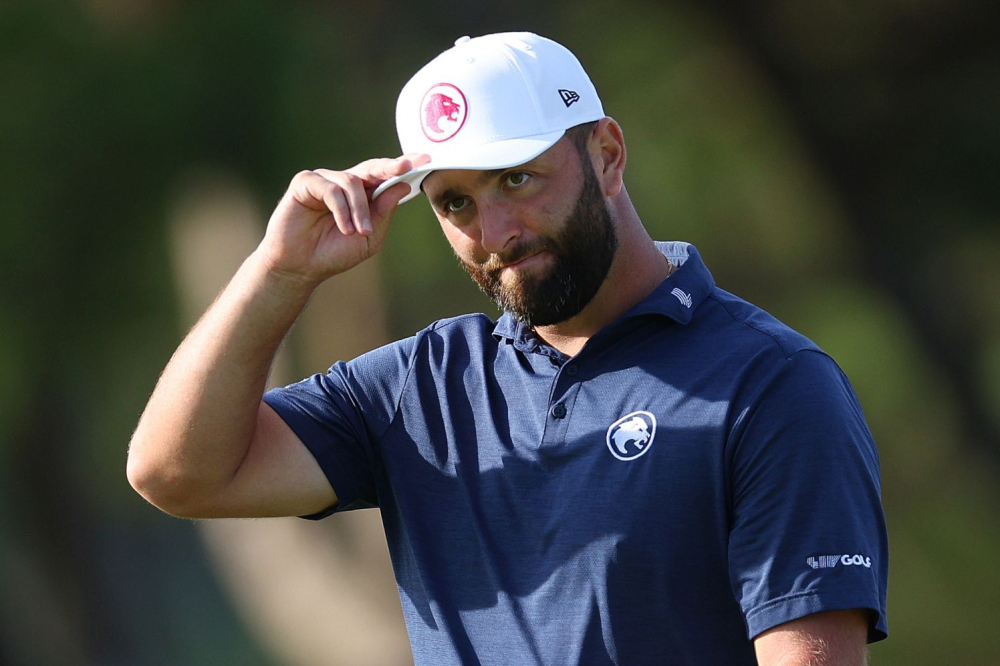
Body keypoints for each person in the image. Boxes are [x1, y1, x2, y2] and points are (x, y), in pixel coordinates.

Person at [128, 32, 888, 665]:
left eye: (519, 178)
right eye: (455, 202)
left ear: (609, 154)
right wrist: (279, 272)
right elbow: (176, 473)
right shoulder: (420, 388)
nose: (494, 235)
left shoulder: (773, 384)